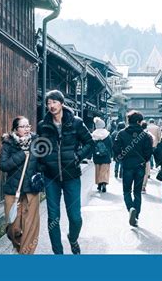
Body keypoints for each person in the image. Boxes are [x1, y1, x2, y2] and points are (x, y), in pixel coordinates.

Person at [37, 90, 94, 254]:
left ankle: (73, 238)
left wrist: (78, 156)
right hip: (51, 177)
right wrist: (42, 166)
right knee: (53, 218)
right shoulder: (43, 126)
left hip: (72, 176)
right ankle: (58, 254)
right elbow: (40, 150)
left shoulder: (76, 122)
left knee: (75, 217)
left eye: (54, 102)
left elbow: (90, 143)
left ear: (61, 103)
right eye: (48, 103)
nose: (51, 106)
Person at [0, 116, 41, 254]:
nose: (27, 129)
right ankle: (19, 245)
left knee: (30, 226)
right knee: (13, 226)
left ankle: (26, 255)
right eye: (23, 126)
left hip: (31, 190)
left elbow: (44, 163)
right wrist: (22, 155)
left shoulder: (36, 142)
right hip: (13, 190)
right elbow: (3, 165)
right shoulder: (8, 144)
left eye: (28, 126)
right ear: (15, 130)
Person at [113, 111, 153, 227]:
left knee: (126, 191)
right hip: (140, 166)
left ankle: (130, 208)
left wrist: (120, 158)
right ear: (138, 122)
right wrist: (144, 160)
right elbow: (149, 151)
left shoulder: (121, 133)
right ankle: (136, 215)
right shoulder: (145, 135)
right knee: (137, 192)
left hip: (127, 165)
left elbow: (115, 148)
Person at [91, 117, 113, 193]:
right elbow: (110, 145)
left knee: (98, 170)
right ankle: (104, 183)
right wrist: (112, 155)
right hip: (106, 155)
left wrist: (89, 156)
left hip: (96, 155)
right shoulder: (107, 135)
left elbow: (91, 146)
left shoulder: (93, 135)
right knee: (104, 170)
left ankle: (99, 184)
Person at [141, 120, 154, 193]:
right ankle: (143, 187)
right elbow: (151, 145)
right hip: (146, 157)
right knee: (145, 173)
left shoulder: (136, 134)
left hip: (138, 157)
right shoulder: (149, 135)